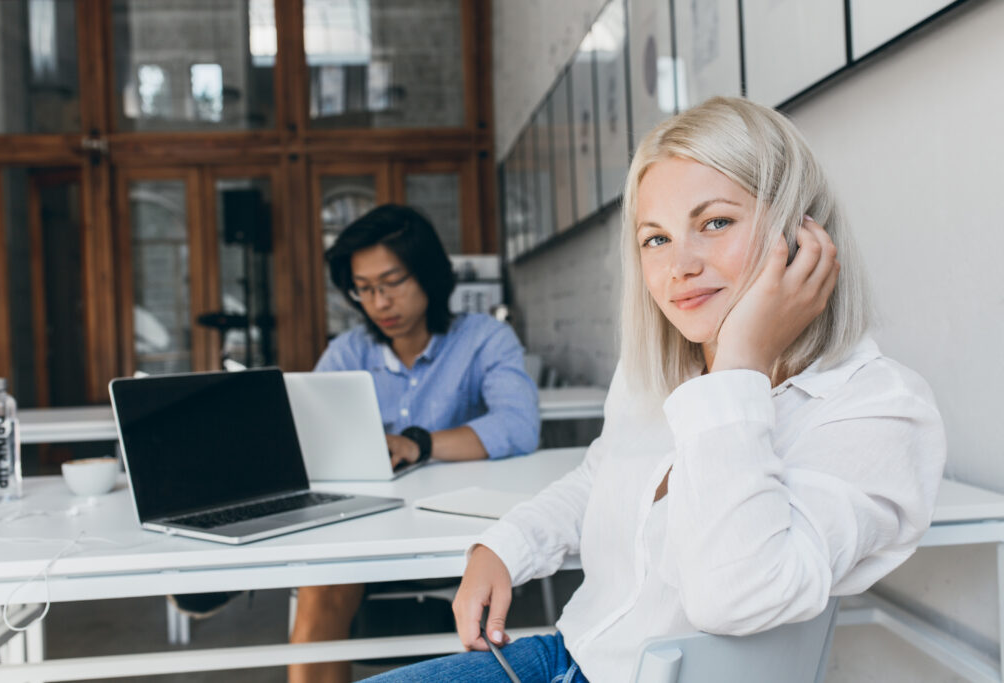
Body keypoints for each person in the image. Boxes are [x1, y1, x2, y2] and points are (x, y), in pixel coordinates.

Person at [359, 97, 947, 682]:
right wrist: (505, 546)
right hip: (573, 656)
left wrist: (739, 367)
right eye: (655, 238)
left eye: (715, 223)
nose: (678, 267)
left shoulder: (877, 408)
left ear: (802, 231)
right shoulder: (657, 369)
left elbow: (735, 597)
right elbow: (600, 478)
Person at [289, 204, 540, 683]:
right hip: (364, 536)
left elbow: (518, 424)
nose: (379, 302)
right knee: (318, 584)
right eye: (364, 289)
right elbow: (308, 438)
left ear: (428, 274)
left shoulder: (485, 338)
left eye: (392, 282)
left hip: (458, 536)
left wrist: (419, 444)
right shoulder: (346, 353)